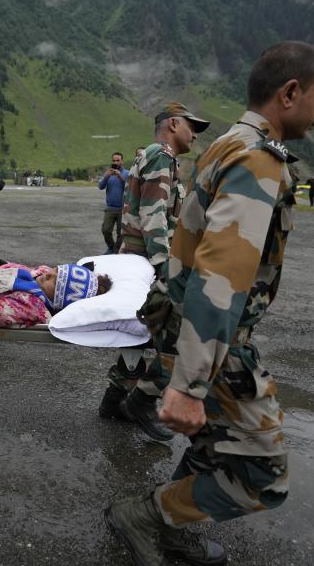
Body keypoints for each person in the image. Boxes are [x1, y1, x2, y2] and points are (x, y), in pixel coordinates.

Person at [105, 41, 314, 566]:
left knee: (216, 446)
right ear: (291, 92)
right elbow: (220, 277)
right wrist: (188, 386)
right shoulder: (257, 158)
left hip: (193, 332)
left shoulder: (235, 143)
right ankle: (148, 514)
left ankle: (167, 523)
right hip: (213, 342)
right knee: (264, 474)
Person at [101, 103, 209, 443]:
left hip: (137, 255)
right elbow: (154, 215)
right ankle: (141, 402)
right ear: (173, 124)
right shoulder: (161, 156)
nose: (194, 134)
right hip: (145, 258)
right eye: (192, 126)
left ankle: (113, 404)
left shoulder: (159, 156)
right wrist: (166, 266)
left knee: (137, 331)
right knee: (172, 331)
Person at [98, 152, 129, 254]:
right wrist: (107, 176)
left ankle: (116, 251)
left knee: (121, 233)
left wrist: (121, 177)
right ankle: (111, 247)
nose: (116, 162)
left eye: (118, 160)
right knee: (106, 230)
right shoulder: (108, 174)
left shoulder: (127, 173)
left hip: (122, 208)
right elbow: (100, 186)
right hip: (110, 207)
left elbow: (130, 188)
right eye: (114, 160)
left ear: (122, 161)